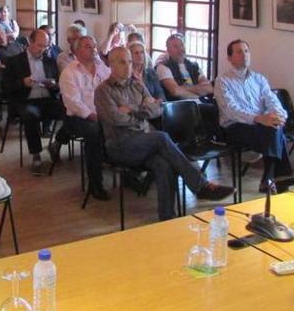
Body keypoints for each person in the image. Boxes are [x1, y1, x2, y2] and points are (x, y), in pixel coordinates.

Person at [94, 47, 235, 221]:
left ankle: (167, 217)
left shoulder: (138, 85)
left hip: (145, 140)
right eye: (123, 62)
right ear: (111, 64)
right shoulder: (103, 90)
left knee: (163, 163)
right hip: (121, 145)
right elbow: (116, 119)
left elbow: (158, 108)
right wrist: (143, 111)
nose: (128, 66)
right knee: (161, 137)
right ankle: (200, 185)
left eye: (130, 62)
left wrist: (132, 110)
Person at [214, 40, 294, 193]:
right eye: (238, 52)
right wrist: (258, 118)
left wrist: (279, 115)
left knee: (274, 126)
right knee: (274, 131)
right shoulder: (222, 81)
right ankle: (274, 178)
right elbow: (231, 110)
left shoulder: (259, 79)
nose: (244, 55)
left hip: (259, 125)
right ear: (229, 58)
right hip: (234, 127)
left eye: (246, 51)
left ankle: (269, 178)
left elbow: (272, 99)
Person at [2, 29, 63, 175]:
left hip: (47, 99)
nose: (42, 49)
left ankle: (57, 143)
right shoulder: (15, 61)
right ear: (30, 42)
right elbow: (5, 87)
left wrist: (54, 85)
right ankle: (36, 154)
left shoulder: (50, 61)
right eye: (39, 45)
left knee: (70, 111)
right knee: (31, 115)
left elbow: (57, 86)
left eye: (45, 46)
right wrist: (22, 83)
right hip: (25, 100)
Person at [59, 36, 111, 199]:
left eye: (95, 46)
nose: (94, 49)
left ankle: (128, 173)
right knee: (95, 132)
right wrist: (93, 116)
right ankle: (95, 183)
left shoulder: (102, 68)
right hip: (78, 117)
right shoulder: (69, 72)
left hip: (103, 114)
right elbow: (73, 102)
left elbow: (112, 88)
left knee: (123, 125)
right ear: (77, 51)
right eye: (88, 46)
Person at [156, 34, 214, 100]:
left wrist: (185, 88)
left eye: (182, 45)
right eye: (176, 46)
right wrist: (198, 95)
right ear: (169, 51)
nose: (180, 49)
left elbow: (210, 88)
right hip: (179, 107)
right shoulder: (163, 67)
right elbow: (175, 91)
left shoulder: (194, 66)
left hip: (201, 104)